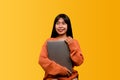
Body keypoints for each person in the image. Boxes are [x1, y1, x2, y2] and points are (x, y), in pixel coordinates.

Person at [38, 14, 84, 80]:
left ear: (68, 25)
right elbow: (42, 60)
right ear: (54, 26)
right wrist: (61, 70)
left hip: (70, 76)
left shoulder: (73, 41)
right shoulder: (48, 41)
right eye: (58, 23)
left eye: (63, 23)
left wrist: (72, 45)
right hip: (52, 77)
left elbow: (79, 62)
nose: (60, 26)